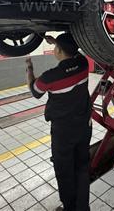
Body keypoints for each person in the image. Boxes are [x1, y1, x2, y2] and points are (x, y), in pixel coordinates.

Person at [25, 33, 91, 211]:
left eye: (56, 47)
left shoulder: (50, 77)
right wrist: (58, 42)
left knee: (64, 171)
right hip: (84, 127)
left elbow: (34, 90)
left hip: (63, 133)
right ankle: (83, 208)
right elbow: (74, 52)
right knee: (82, 168)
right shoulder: (83, 64)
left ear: (59, 51)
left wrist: (29, 67)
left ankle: (69, 208)